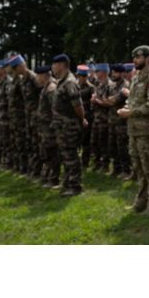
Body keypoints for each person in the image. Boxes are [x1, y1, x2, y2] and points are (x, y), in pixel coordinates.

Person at [118, 45, 149, 214]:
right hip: (134, 131)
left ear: (148, 58)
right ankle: (142, 200)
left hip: (146, 133)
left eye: (138, 57)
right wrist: (126, 107)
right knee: (138, 168)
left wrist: (131, 112)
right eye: (134, 57)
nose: (135, 60)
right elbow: (133, 99)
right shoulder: (136, 78)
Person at [51, 54, 86, 196]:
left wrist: (81, 119)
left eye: (54, 64)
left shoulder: (70, 82)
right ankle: (67, 182)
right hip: (62, 126)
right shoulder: (61, 81)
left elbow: (78, 106)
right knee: (65, 156)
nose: (52, 67)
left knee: (71, 156)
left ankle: (75, 185)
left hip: (69, 127)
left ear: (62, 65)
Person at [35, 65, 60, 187]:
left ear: (43, 76)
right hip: (45, 127)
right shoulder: (46, 88)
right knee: (48, 153)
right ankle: (49, 176)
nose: (36, 79)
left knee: (52, 153)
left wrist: (53, 127)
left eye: (37, 76)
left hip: (50, 128)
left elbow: (56, 110)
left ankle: (54, 179)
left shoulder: (51, 89)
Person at [105, 64, 130, 177]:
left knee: (122, 148)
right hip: (112, 121)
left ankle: (126, 170)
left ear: (122, 73)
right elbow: (106, 99)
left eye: (115, 72)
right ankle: (116, 168)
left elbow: (112, 101)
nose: (113, 74)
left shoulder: (125, 86)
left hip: (121, 123)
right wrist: (108, 100)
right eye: (113, 72)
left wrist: (109, 100)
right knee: (112, 147)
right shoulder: (113, 86)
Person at [90, 63, 112, 171]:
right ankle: (97, 163)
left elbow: (110, 102)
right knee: (94, 142)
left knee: (104, 143)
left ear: (103, 72)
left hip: (105, 119)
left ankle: (105, 165)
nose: (95, 73)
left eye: (97, 71)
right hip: (97, 118)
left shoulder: (110, 85)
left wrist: (97, 101)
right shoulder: (98, 85)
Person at [76, 65, 95, 169]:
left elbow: (93, 102)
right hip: (75, 117)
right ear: (77, 76)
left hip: (87, 117)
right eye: (81, 76)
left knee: (86, 142)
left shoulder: (91, 88)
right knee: (75, 140)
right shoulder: (74, 86)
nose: (83, 78)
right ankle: (76, 162)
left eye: (85, 76)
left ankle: (85, 162)